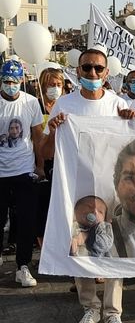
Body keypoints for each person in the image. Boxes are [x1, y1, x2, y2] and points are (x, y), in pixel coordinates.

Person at [42, 46, 133, 323]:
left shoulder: (119, 105)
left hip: (111, 189)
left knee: (115, 247)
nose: (92, 72)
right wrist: (55, 130)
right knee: (78, 246)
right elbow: (45, 151)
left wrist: (133, 123)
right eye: (86, 68)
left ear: (106, 73)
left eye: (97, 68)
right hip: (76, 188)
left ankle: (113, 311)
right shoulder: (65, 105)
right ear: (78, 71)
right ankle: (90, 307)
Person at [0, 60, 44, 287]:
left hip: (24, 170)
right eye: (7, 81)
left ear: (22, 81)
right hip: (1, 172)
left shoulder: (31, 102)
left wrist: (39, 165)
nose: (11, 85)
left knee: (27, 220)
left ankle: (22, 266)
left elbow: (37, 136)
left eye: (15, 81)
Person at [36, 67, 65, 247]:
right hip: (43, 161)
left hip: (62, 161)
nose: (55, 88)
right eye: (51, 85)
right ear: (43, 86)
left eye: (58, 84)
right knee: (43, 206)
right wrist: (39, 166)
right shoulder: (36, 106)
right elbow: (36, 140)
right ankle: (44, 245)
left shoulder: (65, 105)